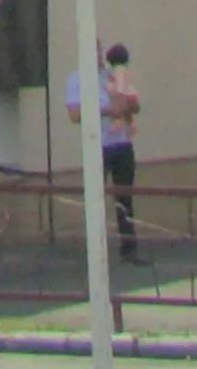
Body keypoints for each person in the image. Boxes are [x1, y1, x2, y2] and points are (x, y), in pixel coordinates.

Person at [66, 41, 141, 261]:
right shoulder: (76, 79)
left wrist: (129, 103)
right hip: (98, 146)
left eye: (98, 50)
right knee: (95, 198)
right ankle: (96, 252)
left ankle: (129, 249)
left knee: (125, 198)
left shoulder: (112, 75)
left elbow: (130, 103)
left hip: (122, 143)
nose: (96, 55)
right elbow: (74, 114)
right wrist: (107, 110)